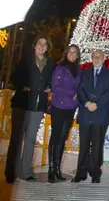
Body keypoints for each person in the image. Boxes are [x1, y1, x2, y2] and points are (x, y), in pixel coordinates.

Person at [5, 35, 55, 183]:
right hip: (22, 105)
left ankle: (26, 172)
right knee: (16, 139)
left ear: (47, 48)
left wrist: (50, 87)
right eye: (39, 43)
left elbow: (53, 80)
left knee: (31, 139)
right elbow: (15, 77)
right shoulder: (25, 61)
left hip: (38, 107)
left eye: (45, 44)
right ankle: (11, 173)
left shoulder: (50, 64)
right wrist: (23, 87)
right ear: (34, 46)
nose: (42, 46)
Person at [72, 49, 109, 184]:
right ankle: (81, 173)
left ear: (104, 58)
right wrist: (87, 103)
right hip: (85, 112)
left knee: (97, 145)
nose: (96, 59)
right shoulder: (84, 73)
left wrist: (97, 104)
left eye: (99, 56)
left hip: (101, 114)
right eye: (94, 56)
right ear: (91, 58)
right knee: (84, 144)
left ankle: (95, 173)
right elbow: (79, 90)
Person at [48, 44, 81, 183]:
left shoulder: (79, 70)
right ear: (66, 54)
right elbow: (55, 87)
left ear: (77, 55)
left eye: (74, 53)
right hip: (58, 106)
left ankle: (57, 169)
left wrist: (77, 98)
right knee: (55, 136)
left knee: (62, 138)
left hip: (70, 108)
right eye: (70, 52)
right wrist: (72, 94)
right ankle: (51, 169)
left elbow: (80, 88)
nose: (72, 55)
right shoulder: (60, 68)